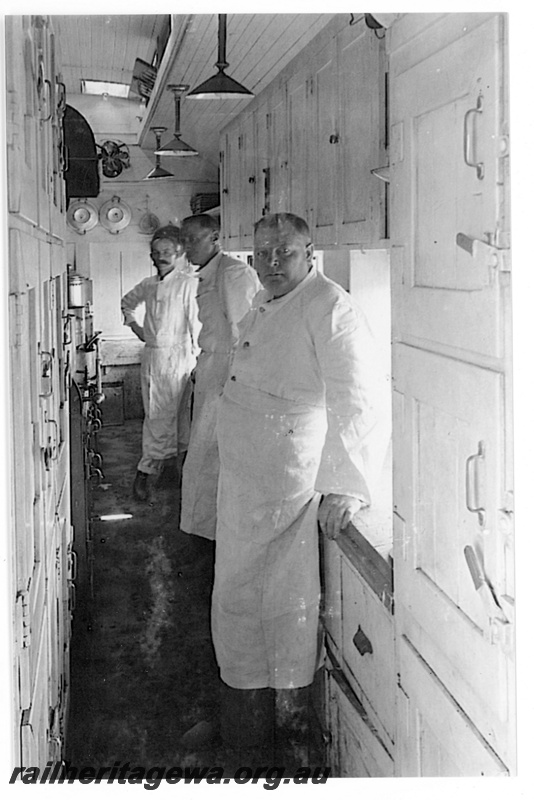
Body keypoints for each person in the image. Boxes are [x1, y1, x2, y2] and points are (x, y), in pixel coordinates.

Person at [182, 212, 390, 760]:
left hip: (284, 484)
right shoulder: (267, 300)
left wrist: (345, 484)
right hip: (245, 478)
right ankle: (240, 720)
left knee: (277, 602)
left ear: (309, 252)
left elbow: (360, 396)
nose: (272, 263)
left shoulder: (331, 307)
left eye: (285, 252)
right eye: (263, 253)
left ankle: (274, 732)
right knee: (233, 596)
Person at [178, 214, 262, 569]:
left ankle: (215, 541)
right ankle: (203, 536)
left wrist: (236, 388)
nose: (186, 250)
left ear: (214, 238)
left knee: (214, 455)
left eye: (193, 241)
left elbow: (246, 335)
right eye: (184, 242)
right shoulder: (209, 273)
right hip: (212, 367)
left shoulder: (232, 274)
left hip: (228, 373)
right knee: (202, 455)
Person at [121, 225, 200, 502]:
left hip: (181, 357)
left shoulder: (188, 283)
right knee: (156, 417)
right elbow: (127, 304)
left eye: (167, 251)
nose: (161, 256)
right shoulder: (148, 284)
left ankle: (168, 472)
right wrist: (137, 328)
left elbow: (196, 324)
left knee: (178, 417)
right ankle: (147, 473)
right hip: (154, 356)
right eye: (156, 252)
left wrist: (199, 359)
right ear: (151, 256)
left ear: (179, 253)